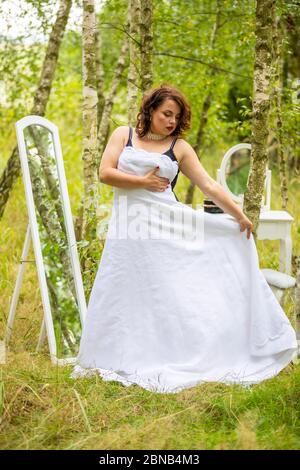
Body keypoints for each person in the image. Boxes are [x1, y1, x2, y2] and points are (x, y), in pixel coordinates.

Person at [71, 84, 298, 393]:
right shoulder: (122, 135)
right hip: (128, 230)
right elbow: (105, 173)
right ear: (150, 110)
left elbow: (208, 185)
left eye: (176, 117)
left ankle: (185, 351)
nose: (171, 121)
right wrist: (142, 180)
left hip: (165, 227)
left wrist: (239, 215)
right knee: (123, 290)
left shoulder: (178, 147)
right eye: (166, 113)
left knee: (166, 295)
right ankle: (114, 356)